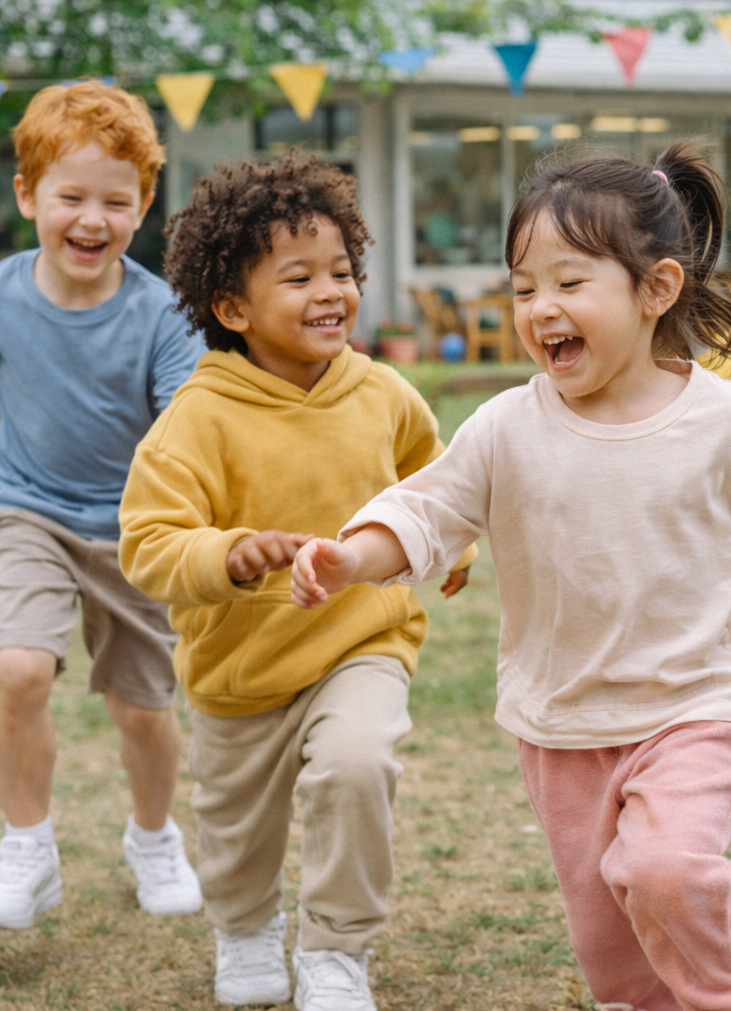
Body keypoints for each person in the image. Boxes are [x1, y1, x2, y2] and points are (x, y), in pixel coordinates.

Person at [290, 144, 731, 1011]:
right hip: (563, 719)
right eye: (523, 288)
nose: (541, 307)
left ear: (656, 289)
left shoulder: (726, 422)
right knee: (606, 934)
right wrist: (352, 555)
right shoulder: (505, 427)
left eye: (569, 283)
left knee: (668, 873)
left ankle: (728, 997)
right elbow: (427, 511)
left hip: (695, 704)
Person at [118, 152, 476, 1011]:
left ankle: (335, 952)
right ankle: (244, 930)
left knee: (357, 766)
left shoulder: (384, 393)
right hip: (239, 668)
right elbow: (148, 544)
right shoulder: (195, 420)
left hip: (361, 639)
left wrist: (449, 545)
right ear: (233, 308)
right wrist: (225, 555)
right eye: (300, 276)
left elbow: (438, 480)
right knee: (238, 830)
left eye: (342, 271)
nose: (332, 291)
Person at [0, 81, 205, 930]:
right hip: (24, 513)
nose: (92, 219)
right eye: (70, 197)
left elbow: (188, 430)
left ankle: (153, 837)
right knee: (14, 670)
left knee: (143, 707)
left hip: (131, 529)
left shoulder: (162, 314)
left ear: (144, 205)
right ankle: (27, 845)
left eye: (115, 202)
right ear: (27, 196)